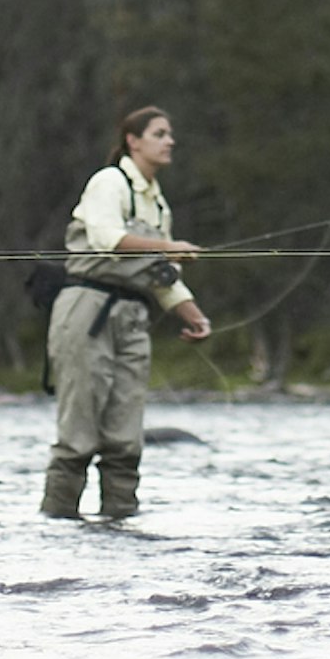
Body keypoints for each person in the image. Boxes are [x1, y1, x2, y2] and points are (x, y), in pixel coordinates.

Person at [42, 104, 212, 521]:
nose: (169, 141)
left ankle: (121, 526)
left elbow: (160, 275)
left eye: (169, 134)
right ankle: (57, 528)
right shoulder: (110, 181)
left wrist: (191, 313)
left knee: (125, 437)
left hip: (132, 317)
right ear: (132, 141)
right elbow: (105, 238)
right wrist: (170, 247)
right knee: (79, 433)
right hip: (87, 309)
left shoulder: (158, 205)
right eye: (159, 133)